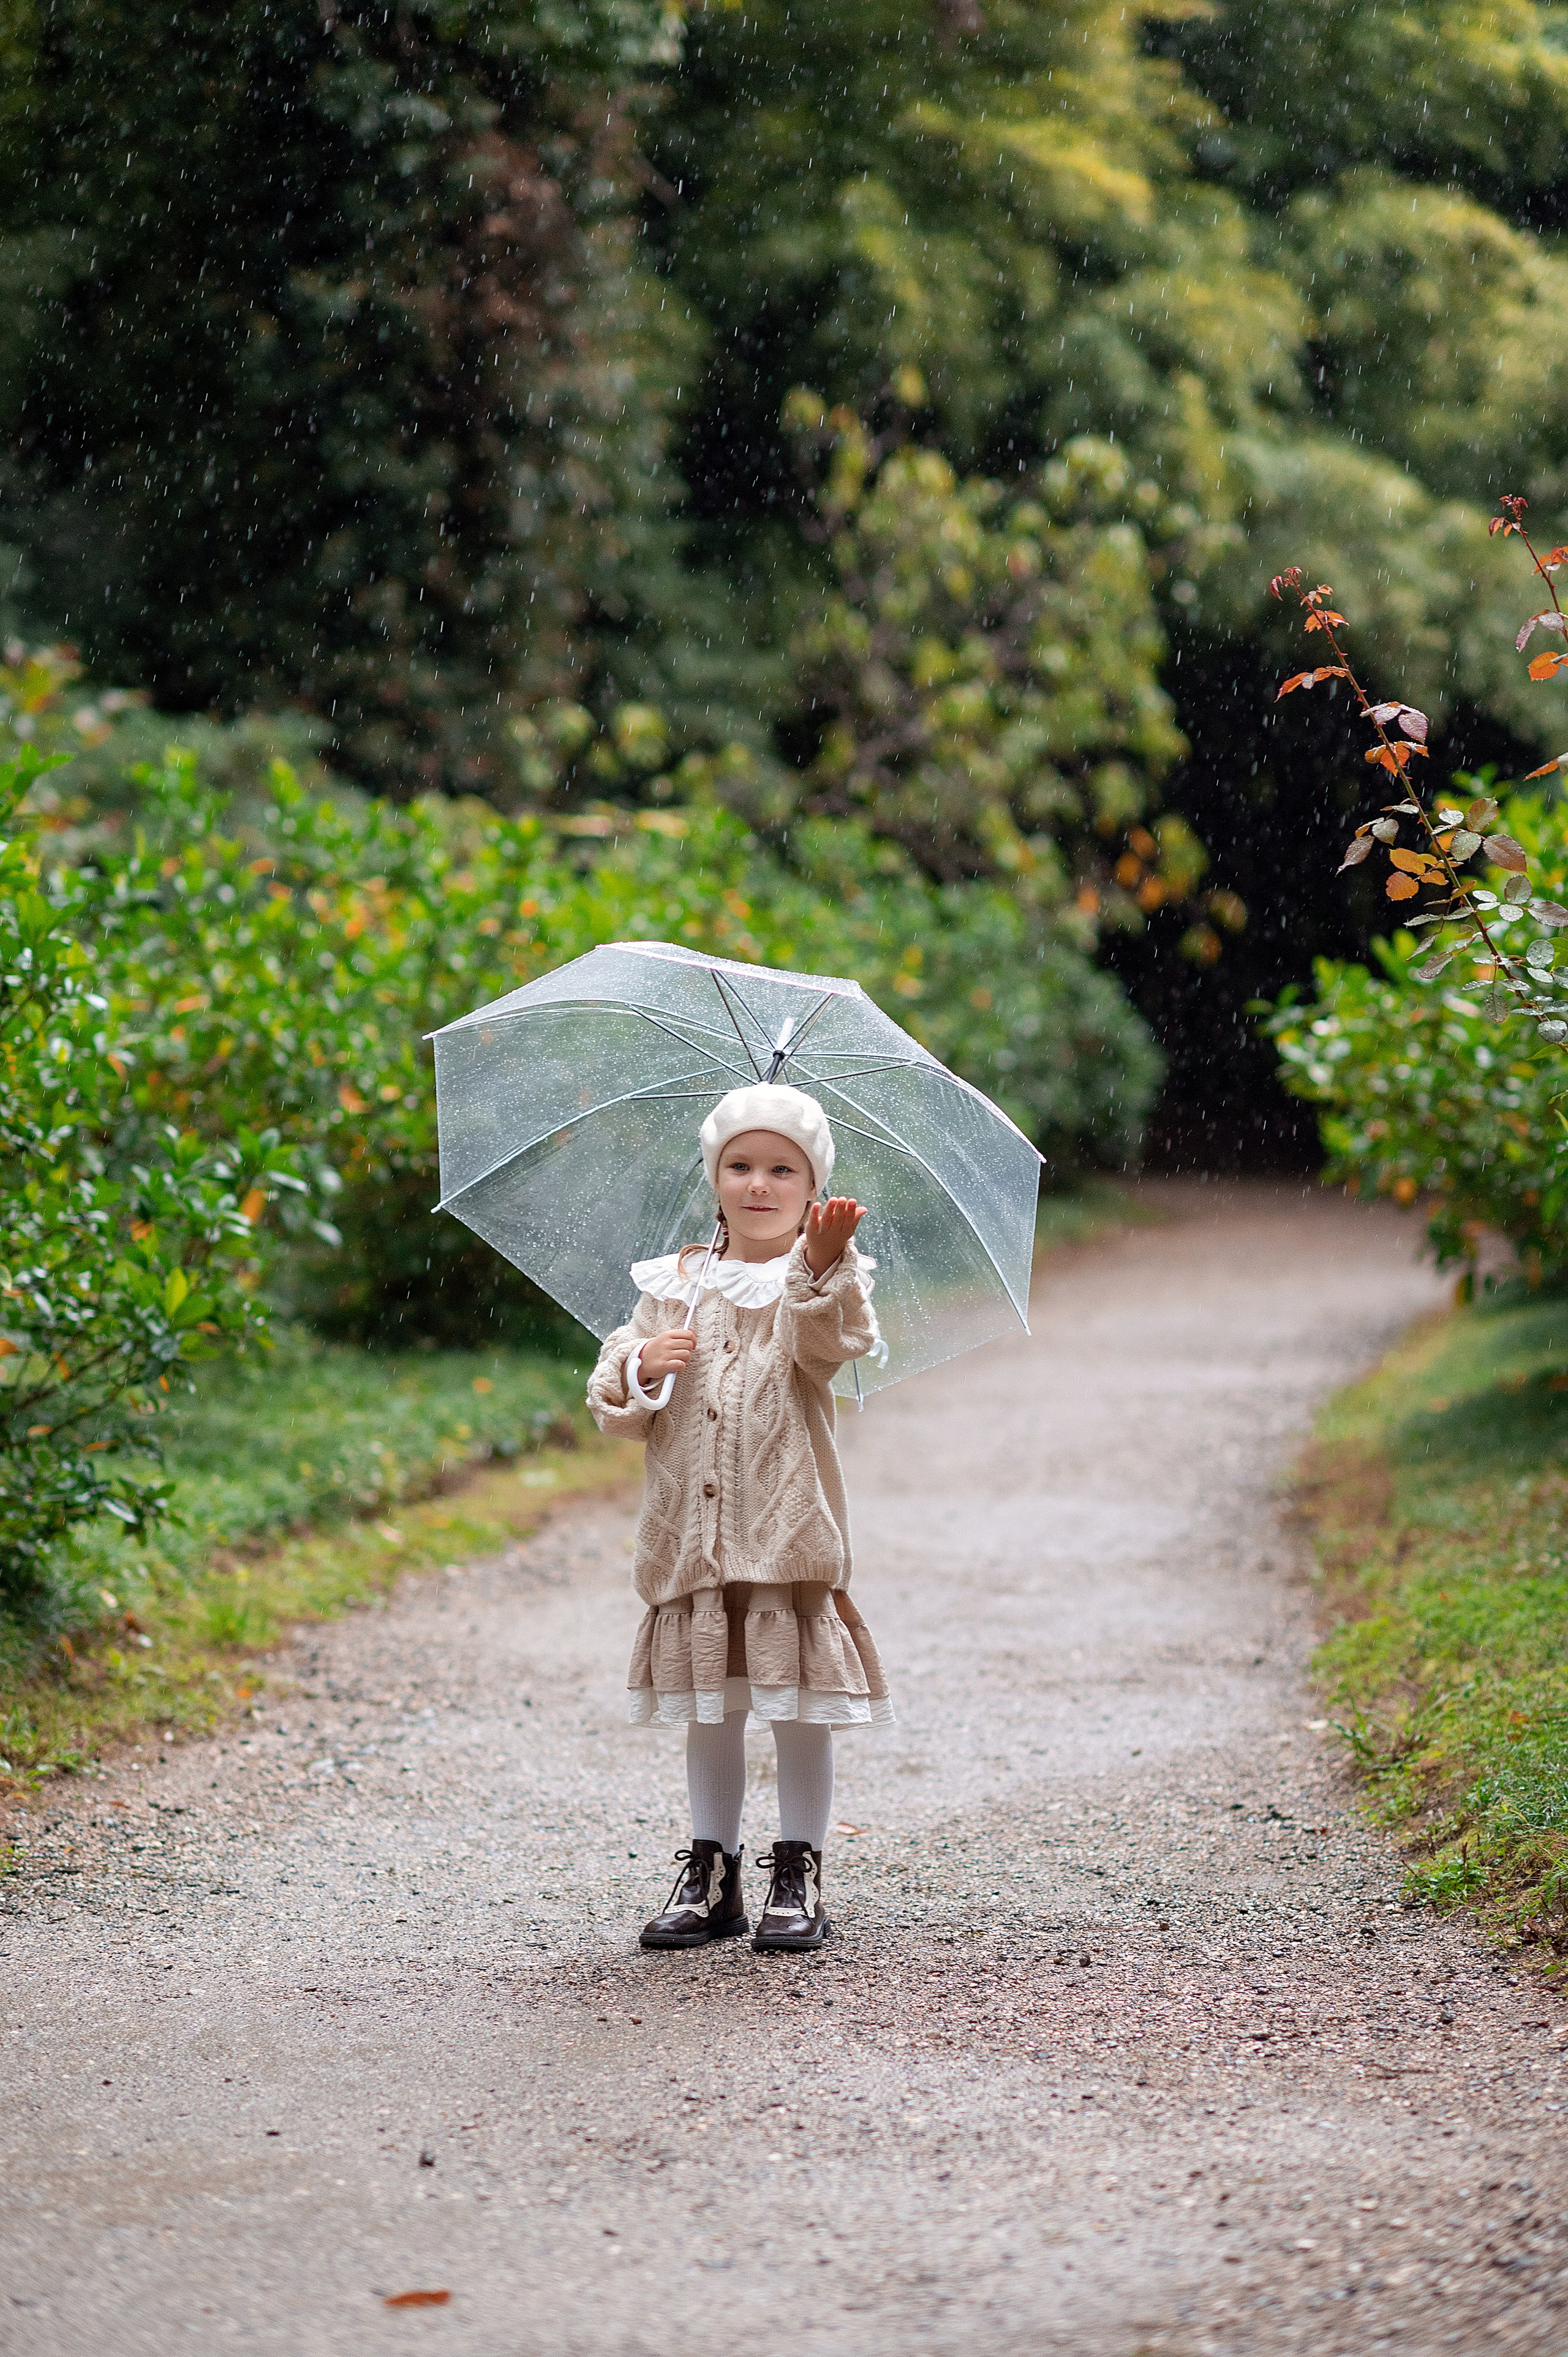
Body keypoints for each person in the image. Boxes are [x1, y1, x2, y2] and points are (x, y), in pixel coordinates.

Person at [586, 1080, 893, 1954]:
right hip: (692, 1537)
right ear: (716, 1176)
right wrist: (644, 1360)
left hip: (784, 1533)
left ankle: (799, 1872)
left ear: (811, 1187)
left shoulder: (821, 1281)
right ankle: (711, 1872)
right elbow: (620, 1404)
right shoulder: (675, 1285)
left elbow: (825, 1346)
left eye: (782, 1170)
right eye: (740, 1165)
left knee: (796, 1707)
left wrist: (824, 1267)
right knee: (711, 1708)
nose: (760, 1184)